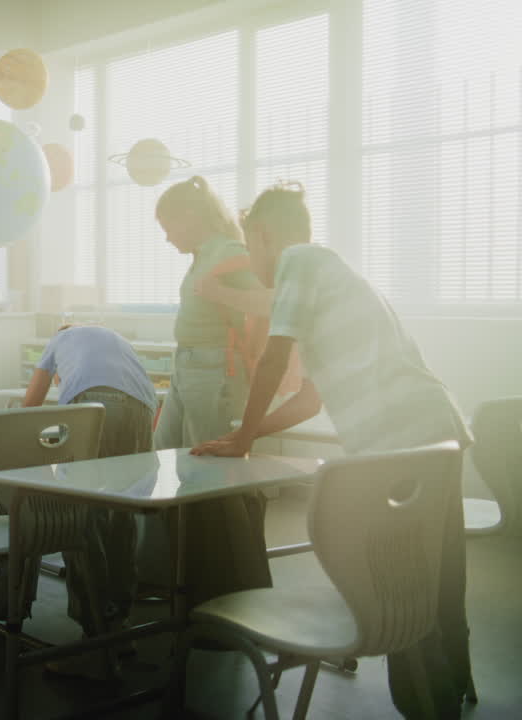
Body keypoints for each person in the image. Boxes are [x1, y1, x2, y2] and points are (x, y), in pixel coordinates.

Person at [193, 182, 473, 718]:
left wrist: (245, 436)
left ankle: (427, 704)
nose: (252, 261)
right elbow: (307, 399)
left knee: (403, 584)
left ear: (266, 236)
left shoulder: (301, 260)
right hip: (435, 430)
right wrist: (247, 433)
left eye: (251, 248)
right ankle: (454, 689)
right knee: (439, 579)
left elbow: (274, 359)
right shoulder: (333, 276)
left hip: (403, 439)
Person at [151, 175, 276, 609]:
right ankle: (166, 572)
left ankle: (231, 583)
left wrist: (218, 290)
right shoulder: (203, 255)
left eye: (169, 225)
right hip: (186, 368)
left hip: (213, 371)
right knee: (162, 457)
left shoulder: (230, 252)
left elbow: (269, 304)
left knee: (211, 475)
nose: (166, 236)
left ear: (190, 216)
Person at [22, 324, 157, 674]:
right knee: (122, 510)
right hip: (143, 408)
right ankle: (118, 624)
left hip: (93, 404)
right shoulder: (116, 338)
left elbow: (28, 407)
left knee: (83, 513)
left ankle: (94, 634)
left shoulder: (57, 339)